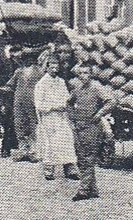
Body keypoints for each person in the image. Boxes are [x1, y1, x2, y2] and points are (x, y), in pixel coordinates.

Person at [32, 50, 77, 182]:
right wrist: (53, 107)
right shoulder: (41, 84)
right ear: (46, 67)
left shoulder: (61, 82)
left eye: (56, 65)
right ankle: (48, 169)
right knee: (49, 142)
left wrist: (68, 104)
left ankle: (69, 168)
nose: (54, 68)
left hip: (62, 117)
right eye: (51, 65)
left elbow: (66, 98)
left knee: (66, 140)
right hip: (49, 118)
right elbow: (39, 104)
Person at [68, 75, 105, 201]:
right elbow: (69, 103)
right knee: (82, 157)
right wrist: (72, 118)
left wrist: (99, 114)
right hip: (79, 127)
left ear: (91, 75)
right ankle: (93, 190)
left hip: (92, 127)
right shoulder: (77, 89)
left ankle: (83, 190)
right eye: (81, 73)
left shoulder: (97, 88)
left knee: (88, 158)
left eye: (86, 73)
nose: (83, 76)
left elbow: (111, 101)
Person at [6, 49, 43, 162]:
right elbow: (10, 85)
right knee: (19, 125)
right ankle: (22, 149)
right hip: (19, 103)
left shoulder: (40, 72)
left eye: (30, 59)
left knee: (33, 125)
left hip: (33, 103)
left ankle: (32, 150)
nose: (28, 61)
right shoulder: (19, 72)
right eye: (25, 58)